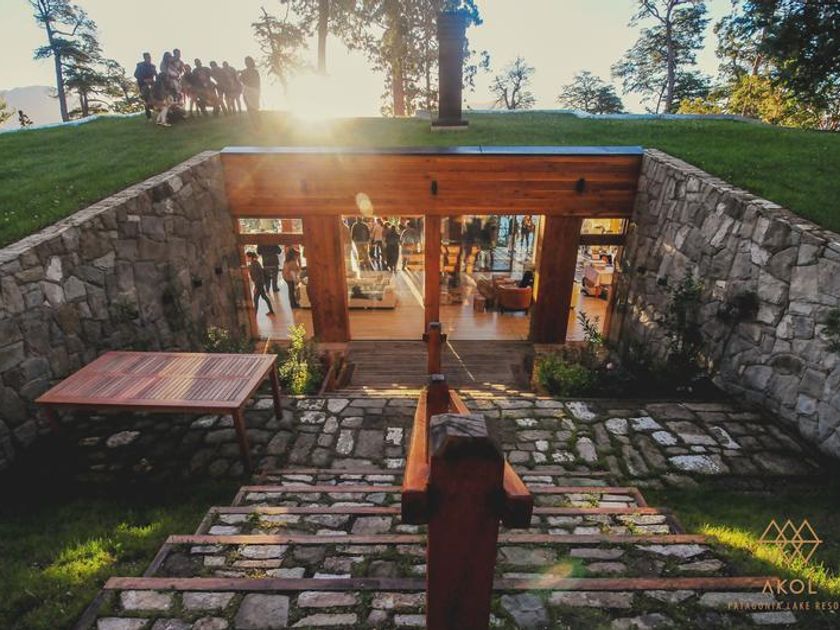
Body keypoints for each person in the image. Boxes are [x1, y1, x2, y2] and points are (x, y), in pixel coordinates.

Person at [133, 52, 157, 120]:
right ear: (144, 58)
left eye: (149, 57)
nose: (149, 59)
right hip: (143, 84)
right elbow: (136, 75)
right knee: (146, 98)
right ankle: (149, 116)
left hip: (152, 83)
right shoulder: (140, 65)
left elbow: (156, 75)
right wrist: (144, 80)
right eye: (147, 57)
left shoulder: (153, 66)